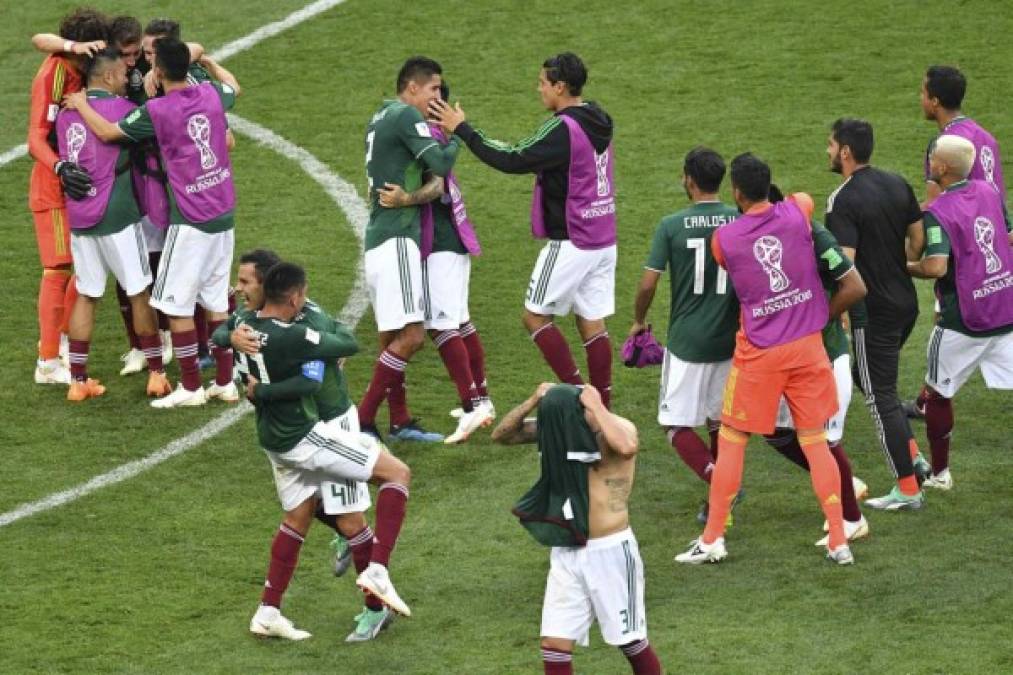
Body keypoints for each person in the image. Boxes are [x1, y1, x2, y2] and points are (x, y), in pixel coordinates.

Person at [675, 153, 866, 566]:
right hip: (808, 348)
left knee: (732, 441)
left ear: (736, 193)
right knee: (815, 441)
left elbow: (730, 261)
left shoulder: (724, 240)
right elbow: (802, 199)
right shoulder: (797, 213)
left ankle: (712, 540)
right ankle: (839, 537)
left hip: (759, 353)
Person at [211, 262, 413, 640]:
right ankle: (377, 582)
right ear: (292, 295)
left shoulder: (241, 324)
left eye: (245, 282)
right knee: (393, 478)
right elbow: (343, 347)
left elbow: (220, 334)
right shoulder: (292, 333)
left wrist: (229, 340)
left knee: (297, 516)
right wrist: (322, 340)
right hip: (309, 435)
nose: (240, 289)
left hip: (274, 438)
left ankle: (268, 611)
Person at [429, 52, 617, 408]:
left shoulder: (563, 127)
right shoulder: (600, 116)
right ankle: (604, 406)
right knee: (592, 322)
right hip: (604, 236)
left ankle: (583, 397)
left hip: (573, 239)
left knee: (534, 316)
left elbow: (515, 157)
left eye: (543, 82)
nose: (539, 88)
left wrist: (462, 129)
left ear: (560, 87)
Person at [64, 37, 240, 409]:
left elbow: (110, 133)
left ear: (157, 72)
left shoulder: (157, 111)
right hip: (224, 216)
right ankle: (225, 382)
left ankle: (190, 387)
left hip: (191, 220)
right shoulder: (210, 94)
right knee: (216, 301)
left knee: (175, 306)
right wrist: (208, 62)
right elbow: (234, 86)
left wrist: (80, 103)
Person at [495, 383, 662, 675]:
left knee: (630, 640)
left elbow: (627, 446)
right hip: (568, 549)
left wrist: (596, 405)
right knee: (554, 644)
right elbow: (502, 435)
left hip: (611, 552)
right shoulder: (564, 429)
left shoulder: (617, 429)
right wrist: (532, 399)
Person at [376, 81, 494, 444]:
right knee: (461, 322)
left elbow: (438, 185)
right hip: (454, 238)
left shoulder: (429, 134)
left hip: (440, 241)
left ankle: (473, 405)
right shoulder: (432, 133)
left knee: (441, 325)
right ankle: (482, 401)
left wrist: (404, 200)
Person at [629, 147, 741, 521]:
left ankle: (719, 487)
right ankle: (725, 486)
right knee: (717, 420)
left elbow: (648, 284)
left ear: (689, 181)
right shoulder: (739, 220)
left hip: (687, 342)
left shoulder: (671, 225)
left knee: (674, 424)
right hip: (729, 340)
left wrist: (638, 320)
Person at [825, 118, 931, 510]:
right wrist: (891, 263)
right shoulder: (897, 183)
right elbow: (917, 241)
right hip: (907, 305)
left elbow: (845, 267)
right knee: (866, 377)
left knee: (880, 396)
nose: (828, 152)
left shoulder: (842, 200)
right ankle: (914, 457)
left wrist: (841, 311)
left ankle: (907, 487)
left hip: (875, 314)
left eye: (831, 145)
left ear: (846, 152)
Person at [56, 47, 170, 401]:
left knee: (88, 294)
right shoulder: (124, 111)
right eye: (122, 74)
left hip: (79, 215)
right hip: (117, 213)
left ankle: (78, 380)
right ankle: (156, 373)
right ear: (107, 77)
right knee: (138, 291)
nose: (127, 79)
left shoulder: (64, 116)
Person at [358, 56, 462, 442]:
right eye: (434, 88)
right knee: (413, 336)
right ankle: (364, 418)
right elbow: (439, 162)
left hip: (380, 238)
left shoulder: (381, 115)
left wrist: (409, 197)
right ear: (413, 87)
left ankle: (399, 420)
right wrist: (454, 134)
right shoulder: (404, 115)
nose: (439, 97)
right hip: (398, 239)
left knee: (391, 338)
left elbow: (427, 178)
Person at [906, 135, 1013, 490]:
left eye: (932, 158)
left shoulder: (938, 212)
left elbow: (936, 267)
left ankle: (940, 475)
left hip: (963, 320)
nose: (929, 162)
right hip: (1005, 307)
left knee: (938, 394)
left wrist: (902, 265)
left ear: (943, 168)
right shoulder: (989, 192)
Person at [906, 64, 1008, 418]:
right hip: (995, 235)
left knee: (951, 317)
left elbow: (936, 206)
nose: (920, 98)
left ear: (934, 101)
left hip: (966, 243)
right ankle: (927, 397)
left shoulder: (943, 146)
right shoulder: (985, 135)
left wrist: (898, 220)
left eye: (922, 93)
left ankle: (931, 398)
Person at [764, 212, 870, 546]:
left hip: (825, 357)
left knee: (824, 440)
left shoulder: (811, 236)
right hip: (791, 361)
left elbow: (855, 286)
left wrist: (823, 316)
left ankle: (853, 519)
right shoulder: (764, 244)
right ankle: (842, 482)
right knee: (774, 430)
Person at [26, 7, 108, 385]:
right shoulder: (55, 73)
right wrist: (60, 168)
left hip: (79, 184)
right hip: (54, 188)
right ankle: (46, 362)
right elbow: (34, 139)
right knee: (57, 268)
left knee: (85, 265)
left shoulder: (78, 68)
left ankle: (57, 340)